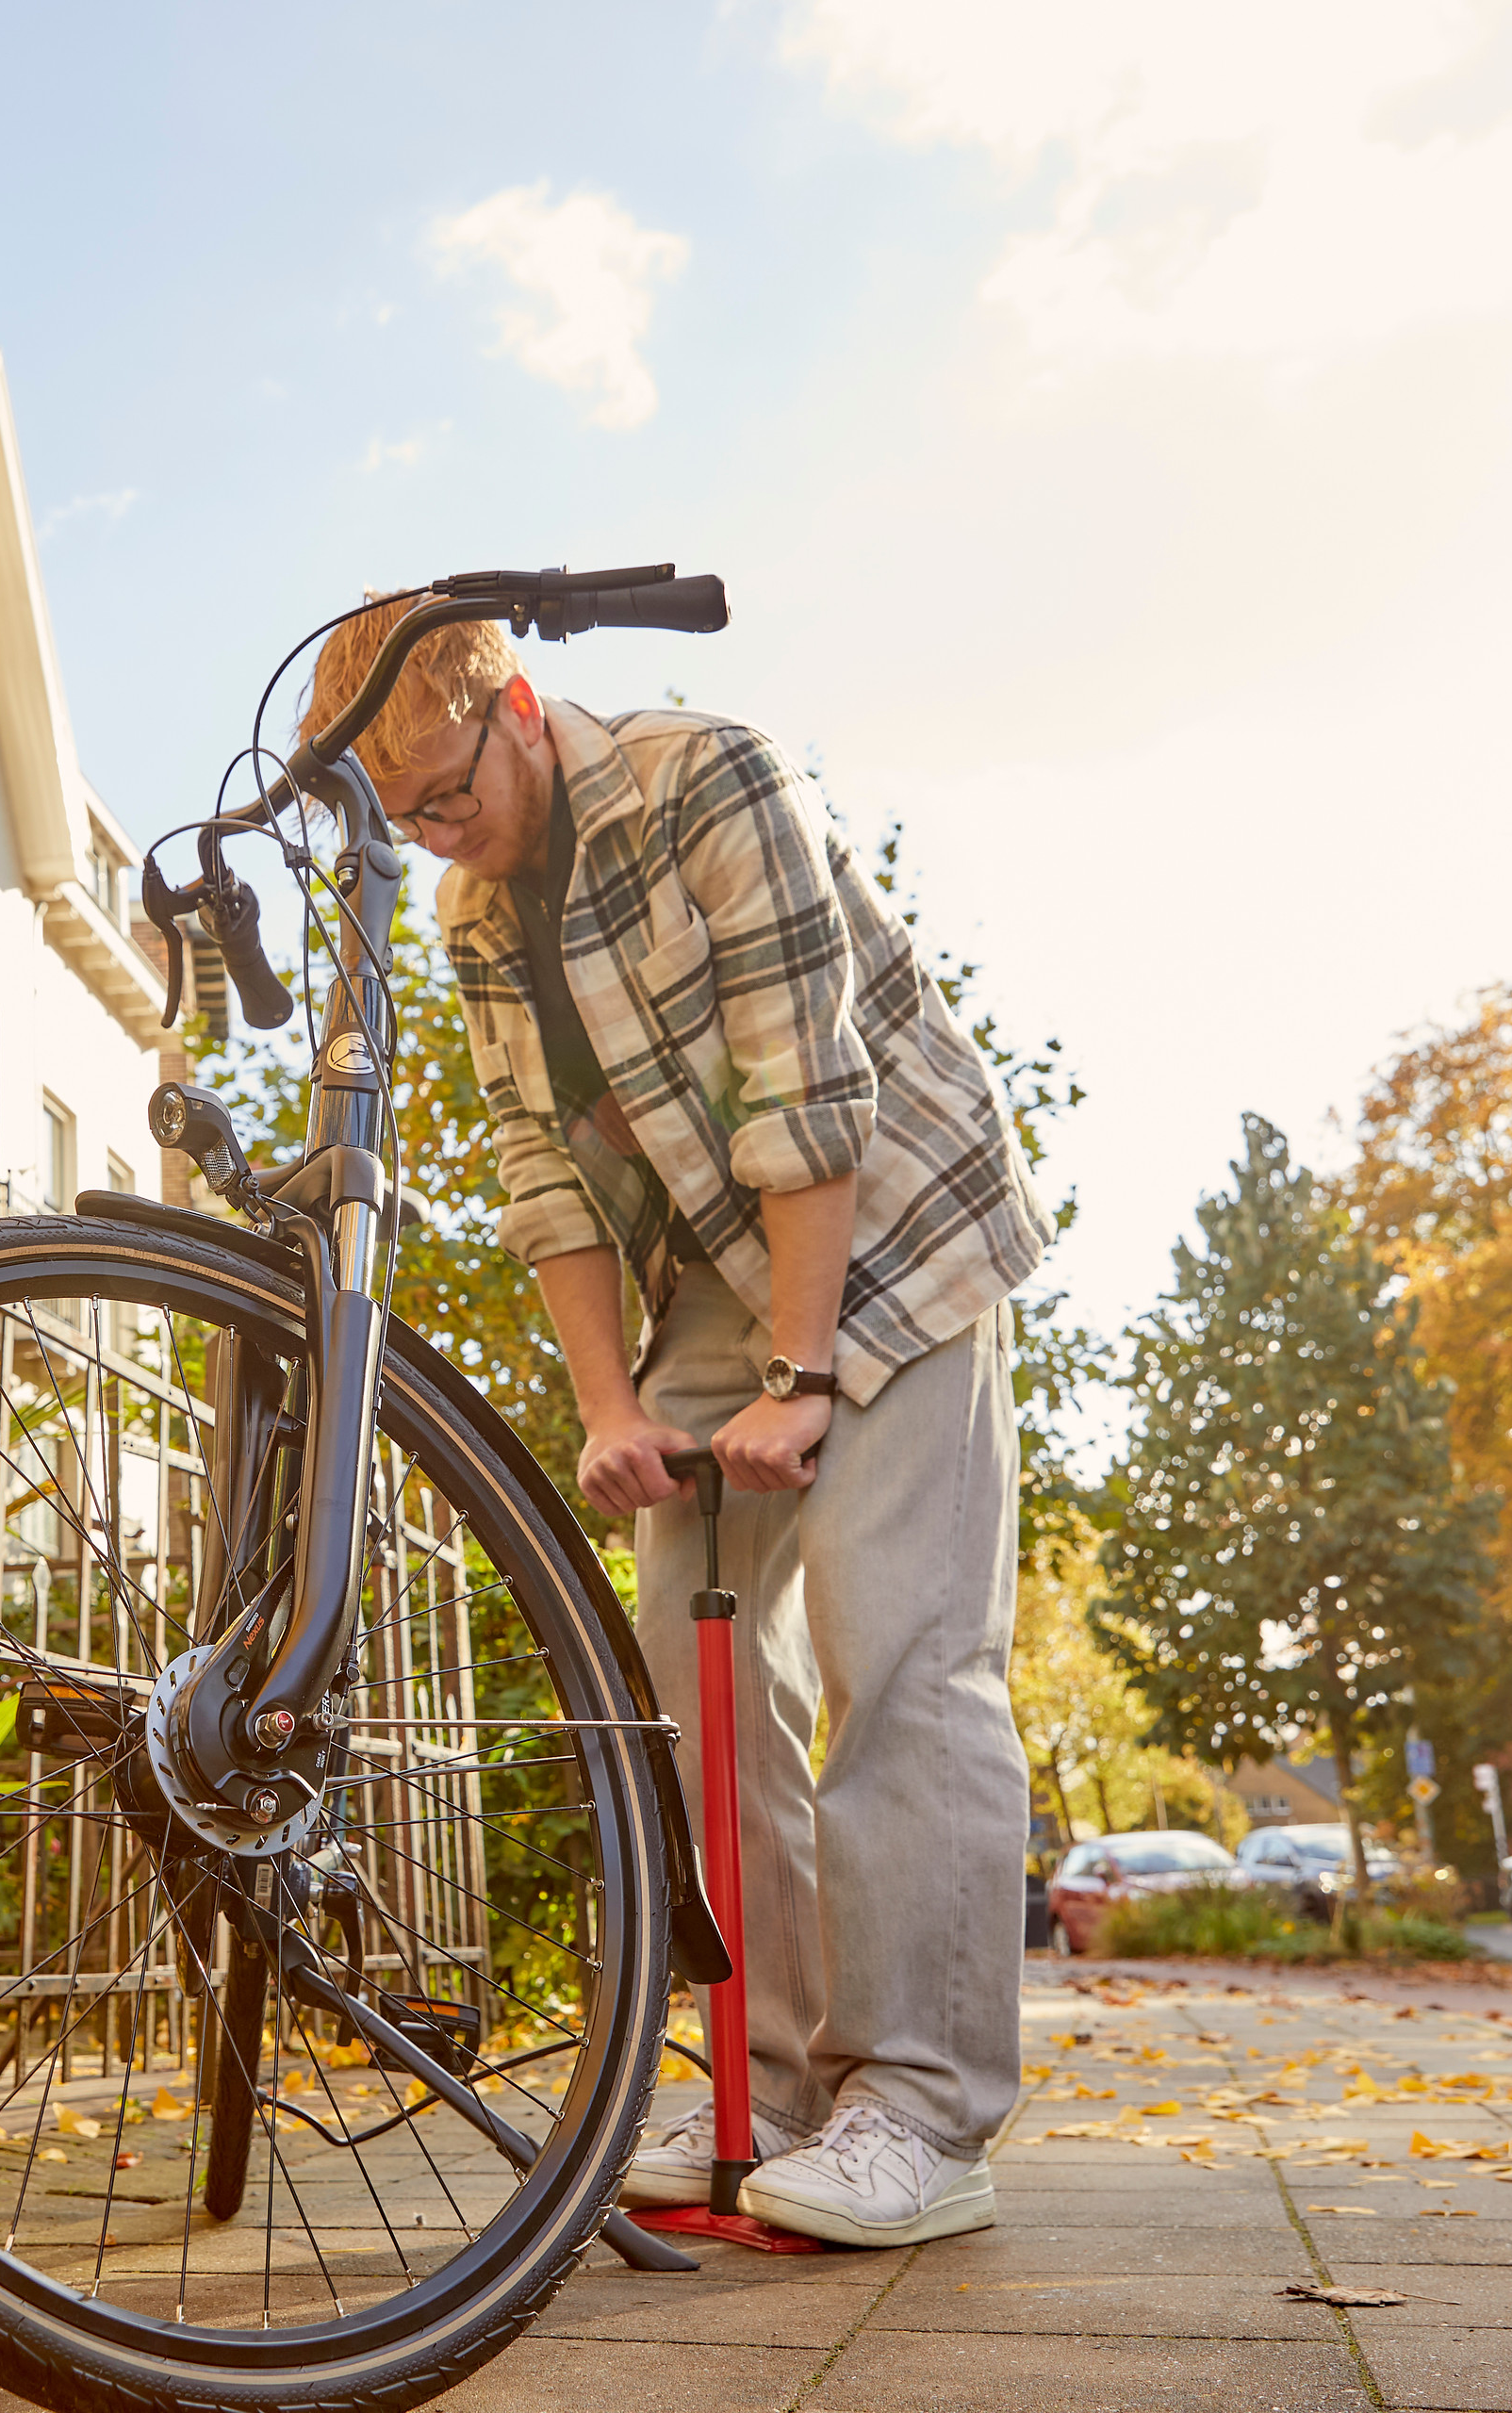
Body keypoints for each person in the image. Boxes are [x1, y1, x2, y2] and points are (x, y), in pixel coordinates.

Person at [304, 597, 1049, 2248]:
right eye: (402, 816)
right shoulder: (478, 918)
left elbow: (807, 1093)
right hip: (722, 1262)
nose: (434, 837)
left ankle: (922, 2114)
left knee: (899, 1652)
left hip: (897, 1229)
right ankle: (767, 2090)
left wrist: (800, 1383)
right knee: (694, 1690)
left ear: (514, 707)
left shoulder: (713, 778)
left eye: (445, 793)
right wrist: (608, 1405)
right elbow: (541, 1175)